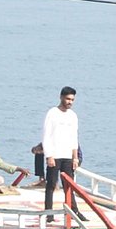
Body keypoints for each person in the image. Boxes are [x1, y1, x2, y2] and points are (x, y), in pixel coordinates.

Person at [40, 87, 80, 219]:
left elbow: (74, 137)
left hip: (68, 155)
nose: (70, 102)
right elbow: (46, 136)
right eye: (68, 99)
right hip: (55, 154)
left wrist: (75, 157)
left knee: (69, 185)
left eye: (72, 100)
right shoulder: (52, 113)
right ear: (61, 97)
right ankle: (49, 213)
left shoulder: (73, 116)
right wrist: (49, 156)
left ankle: (74, 211)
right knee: (51, 184)